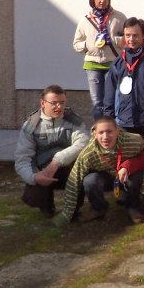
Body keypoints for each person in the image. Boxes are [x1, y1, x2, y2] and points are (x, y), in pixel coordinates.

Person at [52, 116, 144, 226]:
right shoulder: (88, 154)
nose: (105, 137)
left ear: (117, 131)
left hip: (127, 176)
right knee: (90, 181)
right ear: (95, 134)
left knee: (136, 177)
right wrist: (67, 213)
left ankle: (133, 207)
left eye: (109, 131)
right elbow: (74, 181)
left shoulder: (135, 141)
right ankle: (98, 208)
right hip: (106, 178)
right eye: (101, 132)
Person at [14, 85, 89, 217]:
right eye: (54, 103)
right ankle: (46, 208)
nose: (59, 107)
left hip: (68, 167)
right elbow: (22, 159)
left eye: (62, 103)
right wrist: (34, 177)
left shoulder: (75, 121)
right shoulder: (31, 125)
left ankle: (74, 211)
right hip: (43, 170)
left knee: (81, 174)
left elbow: (83, 143)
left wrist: (57, 161)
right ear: (43, 103)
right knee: (34, 194)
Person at [72, 0, 126, 119]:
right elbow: (76, 44)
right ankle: (99, 133)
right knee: (97, 104)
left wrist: (115, 40)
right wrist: (88, 45)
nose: (103, 1)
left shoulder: (119, 17)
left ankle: (114, 131)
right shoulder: (85, 20)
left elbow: (128, 38)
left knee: (113, 99)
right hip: (92, 64)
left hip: (113, 62)